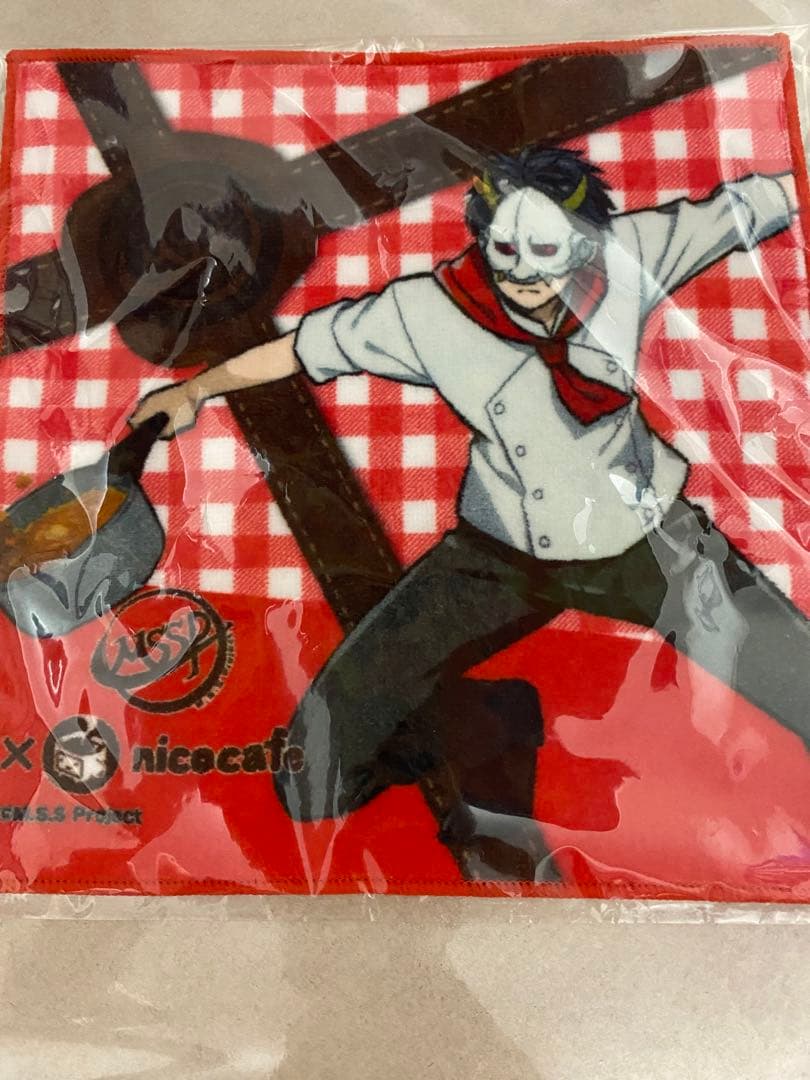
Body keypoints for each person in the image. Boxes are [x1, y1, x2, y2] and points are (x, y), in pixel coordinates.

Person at [131, 146, 808, 830]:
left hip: (651, 541)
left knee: (800, 680)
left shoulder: (629, 254)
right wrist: (195, 390)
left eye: (546, 249)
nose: (523, 271)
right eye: (504, 248)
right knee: (314, 777)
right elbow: (308, 346)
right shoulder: (430, 310)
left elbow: (746, 208)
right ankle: (494, 720)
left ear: (584, 240)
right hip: (497, 556)